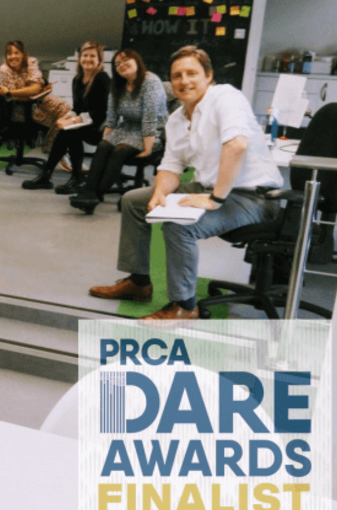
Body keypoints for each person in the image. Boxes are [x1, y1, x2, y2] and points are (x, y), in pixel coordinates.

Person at [88, 46, 283, 324]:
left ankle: (184, 306)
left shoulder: (225, 97)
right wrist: (159, 194)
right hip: (207, 188)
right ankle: (139, 283)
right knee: (133, 201)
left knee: (179, 225)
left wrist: (214, 199)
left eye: (192, 73)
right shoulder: (177, 119)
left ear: (208, 76)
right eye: (177, 75)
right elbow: (171, 166)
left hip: (254, 197)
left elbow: (237, 145)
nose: (184, 81)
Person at [69, 48, 167, 214]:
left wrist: (148, 149)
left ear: (137, 61)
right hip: (127, 128)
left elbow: (149, 118)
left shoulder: (150, 81)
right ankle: (89, 193)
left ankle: (95, 195)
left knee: (120, 150)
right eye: (117, 64)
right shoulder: (118, 85)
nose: (122, 65)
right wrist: (106, 140)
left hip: (152, 131)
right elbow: (112, 118)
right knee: (104, 146)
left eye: (126, 60)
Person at [22, 40, 112, 194]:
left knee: (71, 131)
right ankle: (52, 176)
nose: (88, 59)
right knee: (65, 129)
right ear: (80, 58)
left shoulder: (102, 78)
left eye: (92, 56)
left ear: (99, 60)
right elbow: (77, 109)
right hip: (86, 124)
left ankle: (68, 177)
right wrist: (66, 118)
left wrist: (75, 121)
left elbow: (100, 113)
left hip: (102, 128)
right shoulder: (77, 79)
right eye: (85, 55)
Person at [0, 40, 72, 156]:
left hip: (37, 100)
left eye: (16, 53)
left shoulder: (30, 63)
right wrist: (27, 90)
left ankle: (50, 144)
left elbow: (36, 88)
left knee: (65, 109)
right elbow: (16, 97)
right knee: (53, 116)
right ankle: (52, 149)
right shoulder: (4, 70)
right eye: (9, 53)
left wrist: (13, 92)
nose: (12, 57)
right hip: (20, 108)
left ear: (23, 54)